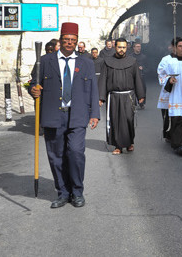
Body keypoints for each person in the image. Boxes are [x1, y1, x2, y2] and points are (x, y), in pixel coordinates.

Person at [30, 22, 100, 208]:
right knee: (56, 156)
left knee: (76, 152)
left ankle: (77, 192)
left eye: (73, 40)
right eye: (67, 40)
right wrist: (33, 90)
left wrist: (95, 113)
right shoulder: (45, 61)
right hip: (53, 115)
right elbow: (33, 83)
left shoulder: (86, 62)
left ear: (77, 42)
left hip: (77, 115)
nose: (70, 43)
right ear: (60, 41)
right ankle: (62, 192)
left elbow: (93, 89)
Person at [99, 38, 145, 155]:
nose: (121, 50)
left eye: (124, 47)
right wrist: (101, 97)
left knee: (129, 120)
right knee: (115, 120)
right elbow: (103, 79)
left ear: (126, 48)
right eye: (119, 47)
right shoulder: (107, 61)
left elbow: (137, 79)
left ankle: (129, 143)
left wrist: (140, 95)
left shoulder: (132, 61)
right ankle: (118, 146)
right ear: (115, 47)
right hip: (114, 96)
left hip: (128, 95)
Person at [132, 41, 147, 109]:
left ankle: (142, 103)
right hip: (132, 75)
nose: (139, 48)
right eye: (137, 47)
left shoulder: (144, 57)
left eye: (140, 47)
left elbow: (148, 67)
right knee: (133, 89)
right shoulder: (130, 57)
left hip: (141, 75)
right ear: (134, 48)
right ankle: (133, 103)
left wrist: (143, 68)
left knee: (142, 89)